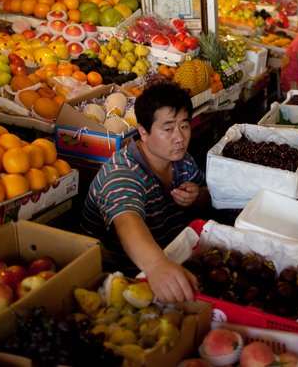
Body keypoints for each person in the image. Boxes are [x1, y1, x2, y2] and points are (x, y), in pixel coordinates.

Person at [80, 83, 209, 304]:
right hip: (121, 285)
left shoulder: (182, 161)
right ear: (143, 132)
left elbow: (207, 198)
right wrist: (157, 266)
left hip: (169, 267)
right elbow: (127, 223)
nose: (179, 138)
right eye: (168, 129)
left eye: (184, 126)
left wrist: (197, 196)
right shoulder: (123, 174)